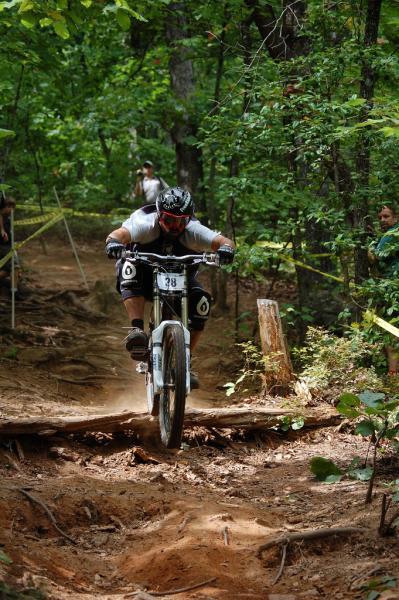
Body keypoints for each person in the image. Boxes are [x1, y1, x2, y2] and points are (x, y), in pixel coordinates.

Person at [105, 186, 235, 388]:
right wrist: (113, 243)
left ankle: (184, 362)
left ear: (188, 219)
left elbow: (223, 241)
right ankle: (136, 330)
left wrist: (226, 249)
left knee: (202, 304)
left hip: (181, 275)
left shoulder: (194, 230)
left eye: (181, 221)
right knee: (128, 268)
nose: (174, 226)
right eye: (169, 219)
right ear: (159, 215)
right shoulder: (144, 223)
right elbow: (118, 234)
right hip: (144, 274)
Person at [368, 204, 399, 375]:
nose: (382, 220)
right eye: (380, 217)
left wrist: (370, 247)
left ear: (396, 217)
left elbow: (374, 258)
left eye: (386, 216)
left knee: (391, 329)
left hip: (392, 288)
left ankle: (393, 374)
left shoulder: (391, 234)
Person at [0, 197, 21, 298]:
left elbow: (10, 233)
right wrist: (2, 230)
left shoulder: (8, 219)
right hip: (3, 247)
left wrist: (15, 244)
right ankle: (14, 292)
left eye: (13, 207)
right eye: (9, 206)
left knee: (7, 270)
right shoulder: (1, 217)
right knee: (15, 266)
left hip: (8, 246)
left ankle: (14, 290)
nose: (11, 209)